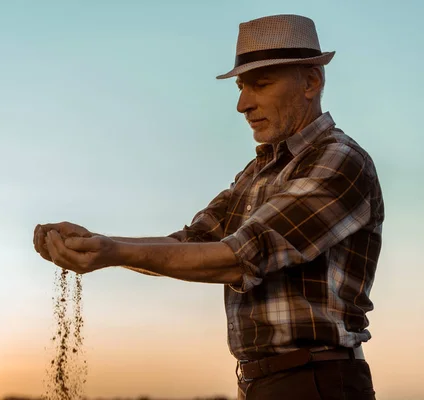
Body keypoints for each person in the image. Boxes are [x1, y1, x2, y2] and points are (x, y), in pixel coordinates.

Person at [33, 14, 383, 400]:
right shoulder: (256, 173)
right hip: (259, 383)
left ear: (311, 82)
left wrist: (114, 252)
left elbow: (239, 257)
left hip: (318, 381)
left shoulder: (339, 161)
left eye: (260, 85)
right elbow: (191, 242)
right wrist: (99, 243)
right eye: (241, 87)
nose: (242, 104)